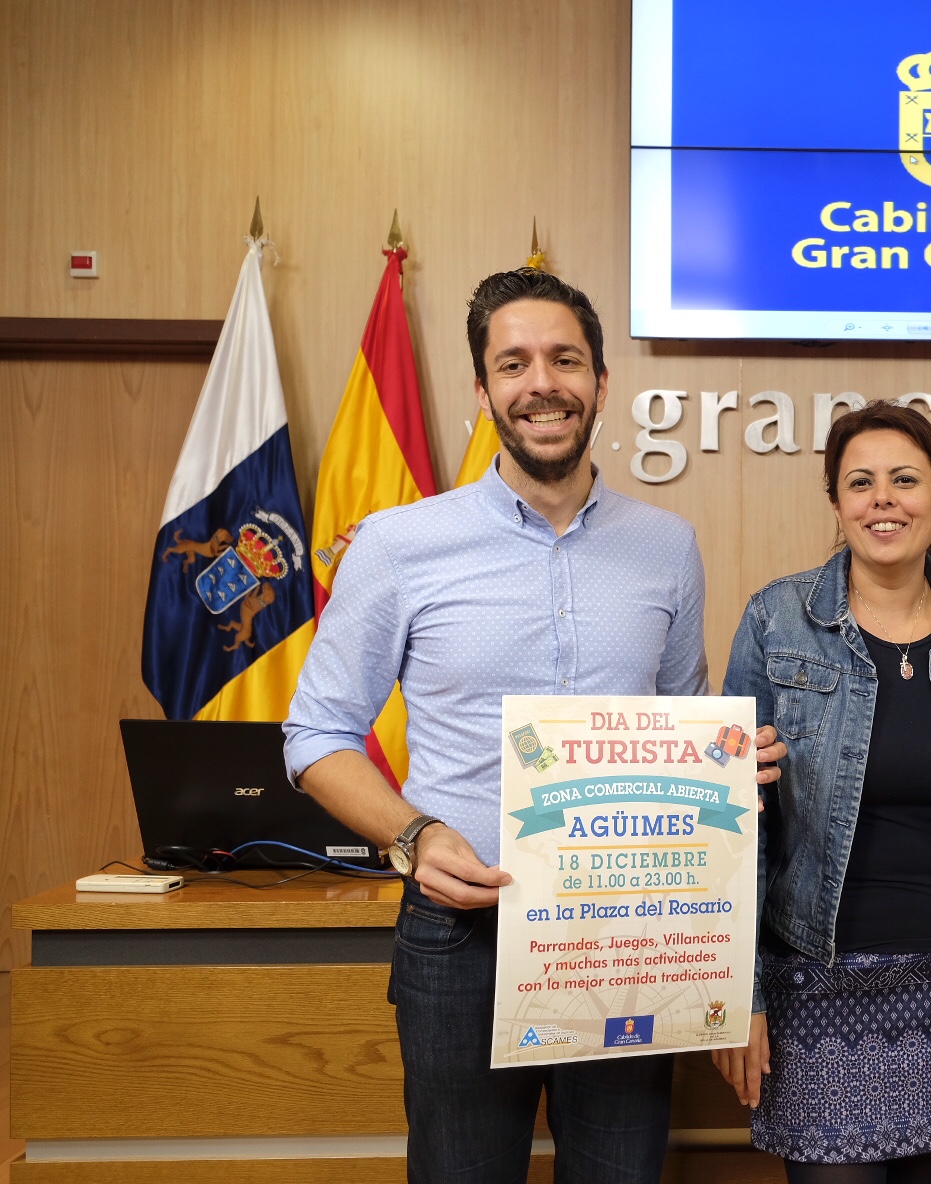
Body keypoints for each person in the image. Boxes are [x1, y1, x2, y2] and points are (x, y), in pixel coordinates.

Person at [283, 268, 785, 1184]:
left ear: (600, 382)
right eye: (512, 364)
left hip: (629, 924)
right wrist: (414, 834)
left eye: (565, 359)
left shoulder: (667, 545)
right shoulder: (399, 546)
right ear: (482, 391)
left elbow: (681, 723)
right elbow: (314, 735)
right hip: (461, 926)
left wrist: (727, 764)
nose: (540, 383)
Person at [716, 400, 931, 1184]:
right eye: (860, 483)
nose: (883, 499)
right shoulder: (776, 620)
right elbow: (738, 825)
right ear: (836, 502)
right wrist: (740, 993)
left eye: (905, 479)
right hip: (814, 982)